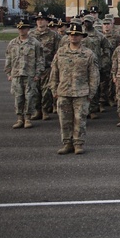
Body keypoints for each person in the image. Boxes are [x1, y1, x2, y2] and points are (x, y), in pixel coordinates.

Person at [49, 22, 99, 155]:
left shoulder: (88, 54)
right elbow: (54, 72)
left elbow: (94, 76)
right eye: (71, 35)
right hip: (63, 91)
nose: (74, 37)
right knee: (64, 120)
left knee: (80, 120)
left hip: (81, 92)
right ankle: (67, 143)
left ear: (82, 37)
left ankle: (78, 143)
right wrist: (54, 90)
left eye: (77, 35)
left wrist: (91, 93)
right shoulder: (61, 52)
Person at [4, 20, 44, 129]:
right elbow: (8, 58)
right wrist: (8, 72)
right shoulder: (12, 43)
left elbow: (40, 59)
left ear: (28, 29)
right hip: (16, 74)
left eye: (24, 28)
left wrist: (38, 73)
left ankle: (27, 118)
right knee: (18, 97)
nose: (21, 30)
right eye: (19, 28)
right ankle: (19, 118)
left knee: (30, 97)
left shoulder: (35, 43)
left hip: (30, 74)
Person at [30, 10, 60, 120]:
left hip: (48, 66)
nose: (40, 22)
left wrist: (55, 65)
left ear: (47, 21)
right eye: (38, 20)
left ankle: (45, 110)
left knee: (47, 91)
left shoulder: (54, 35)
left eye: (42, 19)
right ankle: (37, 110)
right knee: (35, 91)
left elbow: (58, 51)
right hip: (34, 68)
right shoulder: (31, 35)